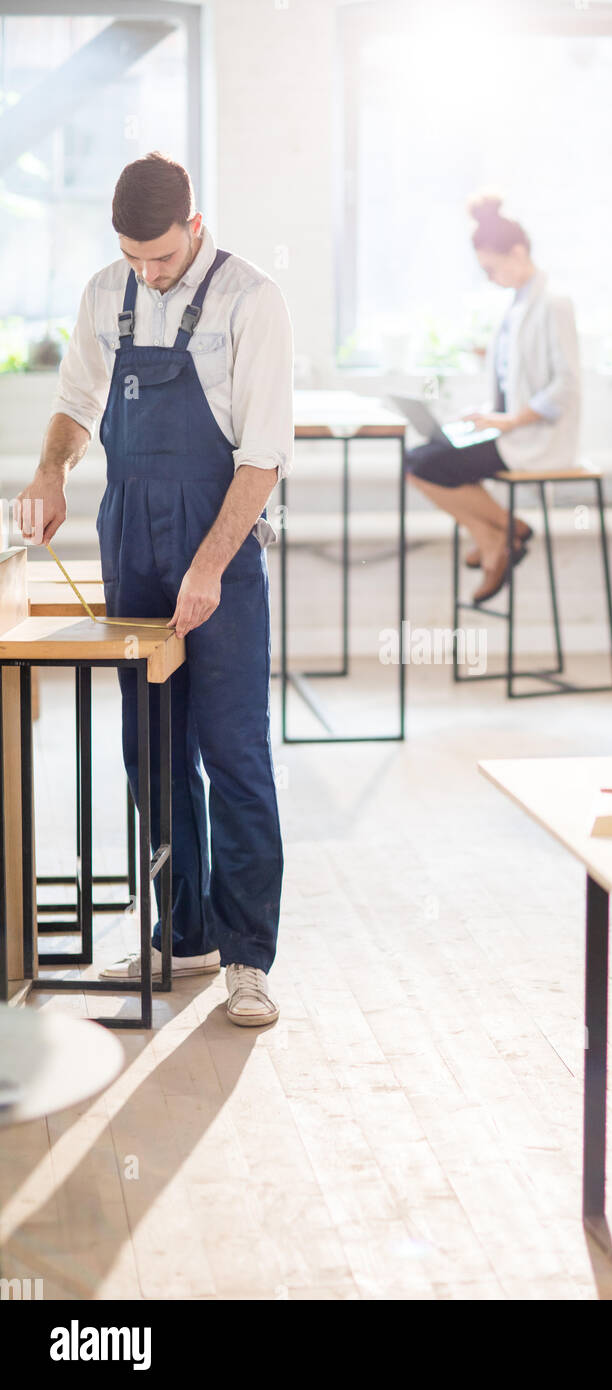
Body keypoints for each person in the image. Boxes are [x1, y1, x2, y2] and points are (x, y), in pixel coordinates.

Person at [16, 152, 292, 1027]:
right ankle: (185, 934)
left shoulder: (253, 301)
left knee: (234, 751)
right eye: (135, 258)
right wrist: (52, 471)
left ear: (196, 227)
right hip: (130, 536)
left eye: (162, 258)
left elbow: (263, 456)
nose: (147, 272)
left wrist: (209, 565)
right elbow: (76, 401)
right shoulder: (107, 293)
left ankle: (248, 957)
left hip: (220, 542)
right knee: (154, 749)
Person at [405, 194, 580, 604]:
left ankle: (499, 535)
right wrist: (489, 414)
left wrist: (509, 422)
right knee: (421, 457)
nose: (490, 277)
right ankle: (497, 534)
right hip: (512, 428)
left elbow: (566, 386)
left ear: (517, 251)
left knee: (426, 465)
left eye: (491, 267)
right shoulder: (516, 307)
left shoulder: (555, 303)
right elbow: (514, 385)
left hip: (537, 439)